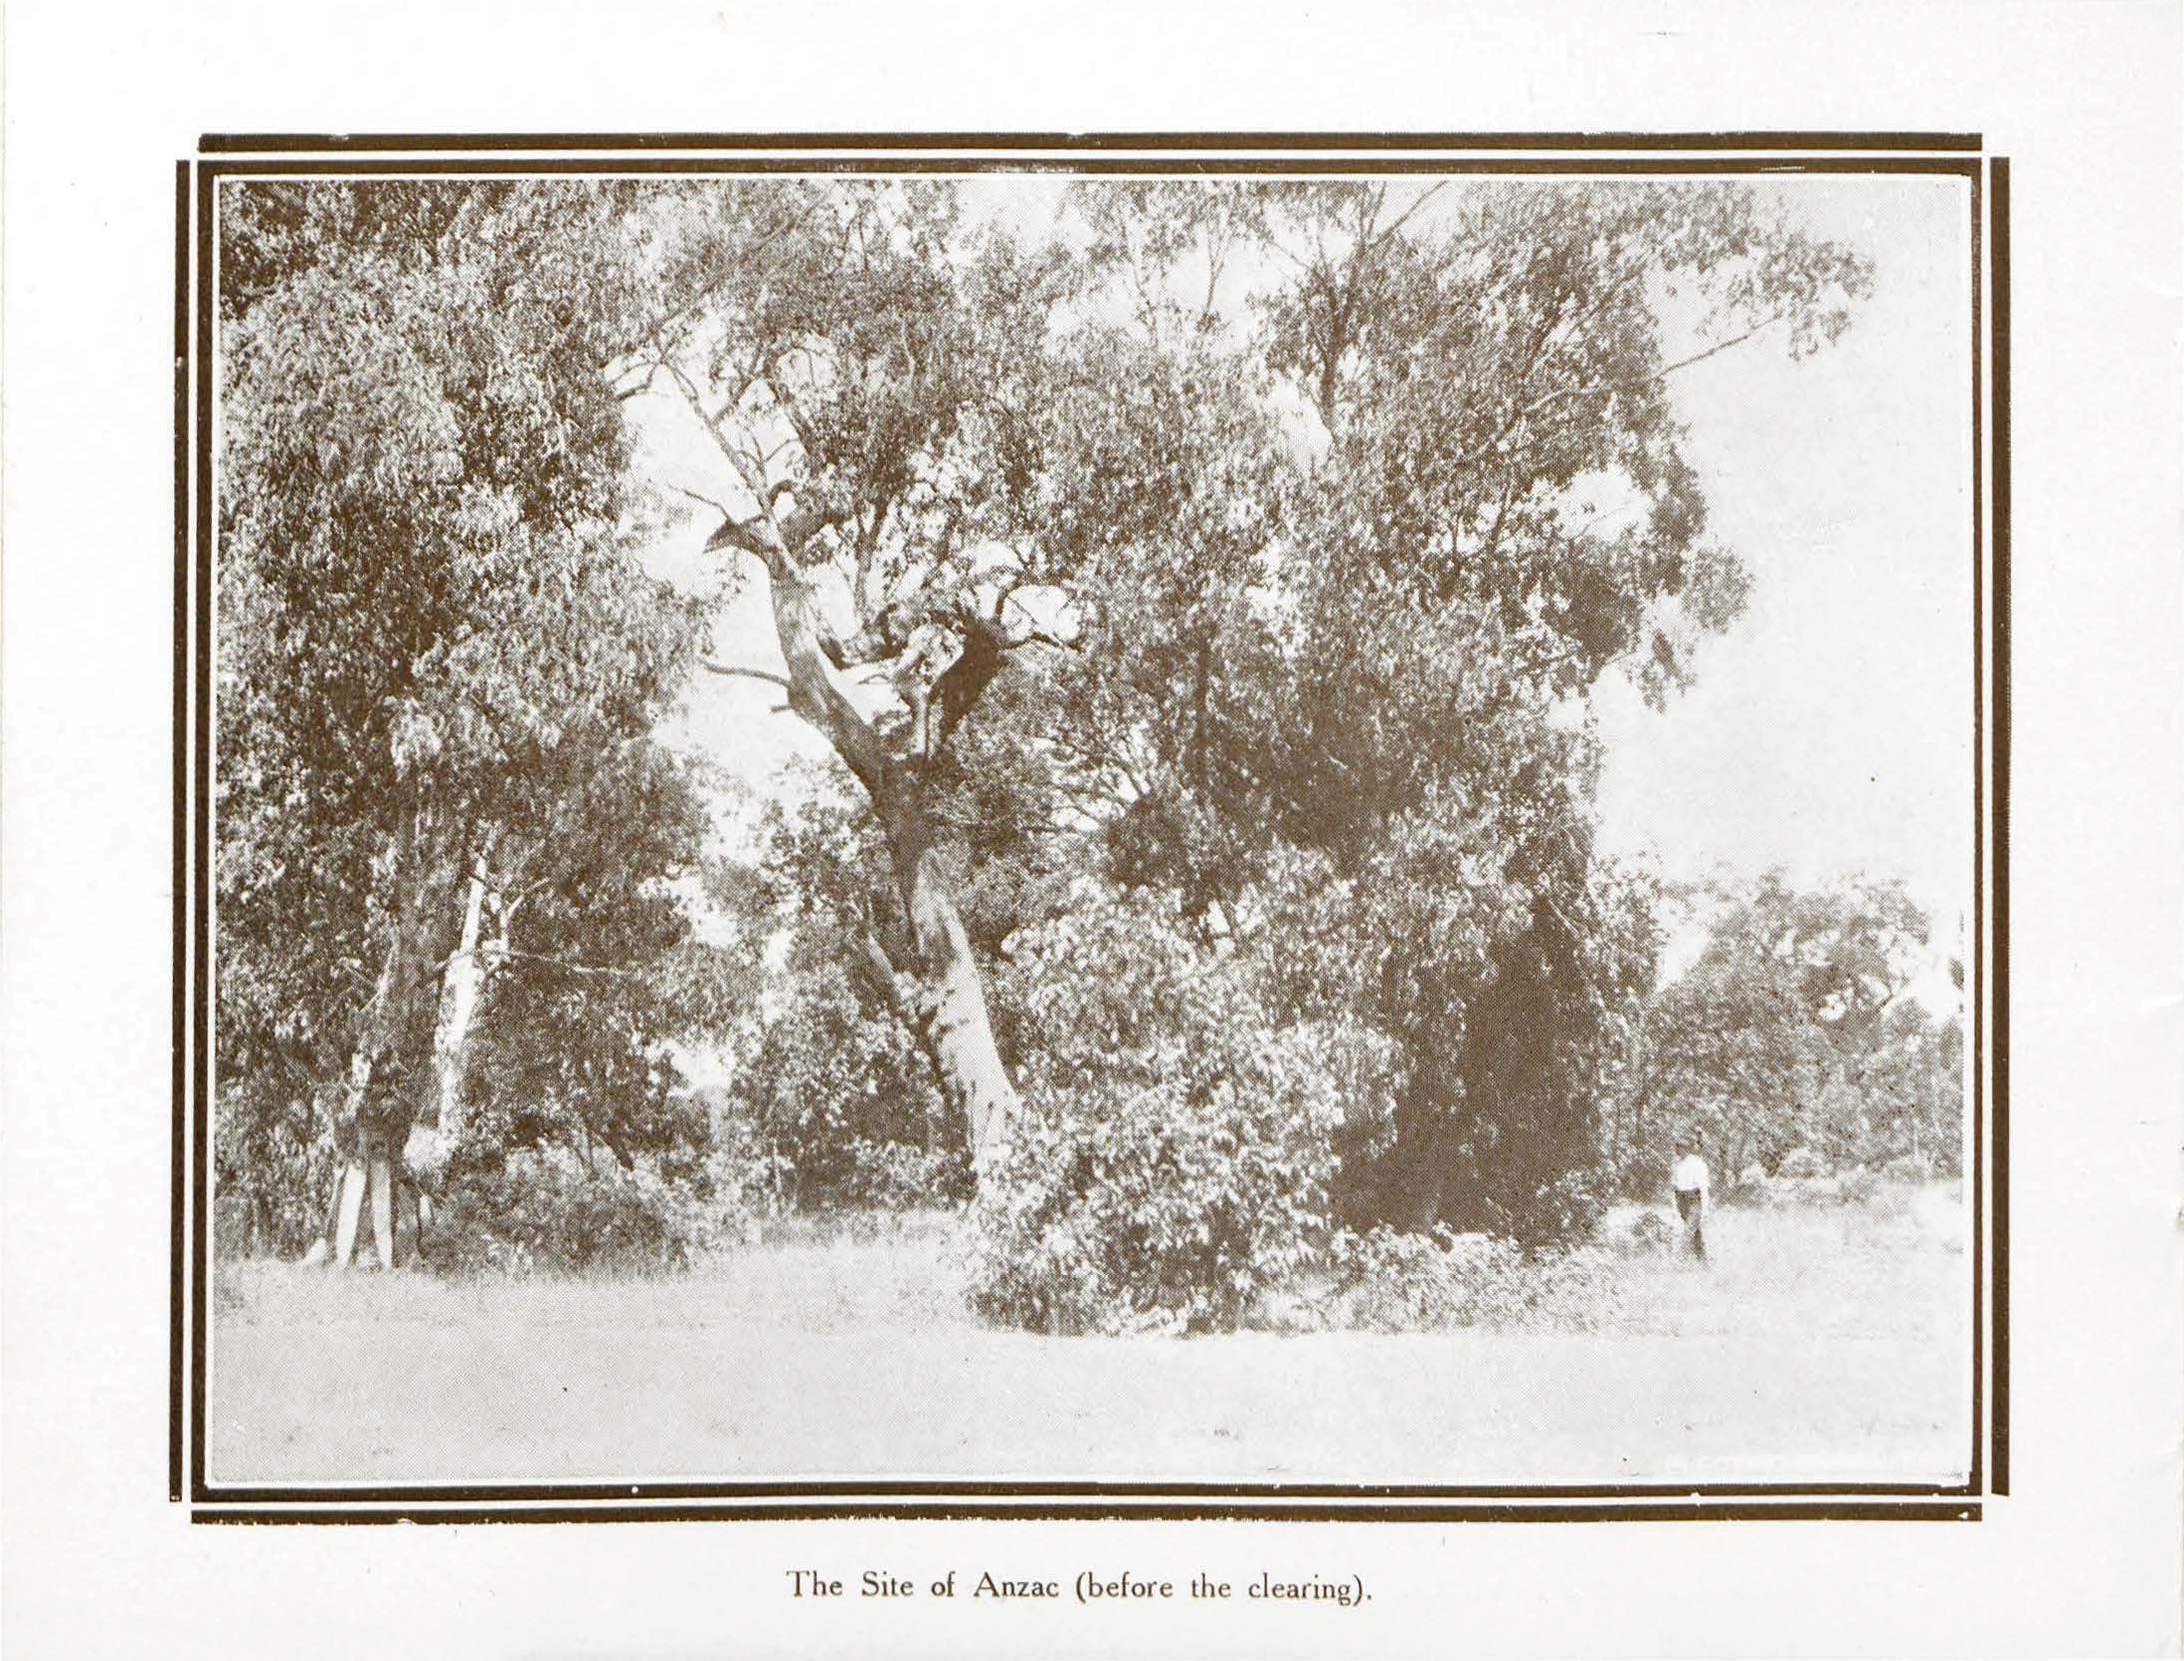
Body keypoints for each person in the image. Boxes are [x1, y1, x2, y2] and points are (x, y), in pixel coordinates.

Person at [1670, 1143, 1710, 1261]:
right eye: (1676, 1147)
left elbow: (1704, 1187)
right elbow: (1674, 1184)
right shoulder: (1676, 1164)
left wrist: (1705, 1209)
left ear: (1685, 1148)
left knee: (1689, 1230)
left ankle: (1681, 1258)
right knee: (1695, 1230)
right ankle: (1702, 1259)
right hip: (1681, 1199)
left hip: (1694, 1198)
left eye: (1678, 1147)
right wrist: (1675, 1203)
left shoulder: (1697, 1163)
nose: (1676, 1150)